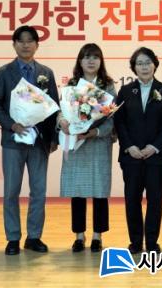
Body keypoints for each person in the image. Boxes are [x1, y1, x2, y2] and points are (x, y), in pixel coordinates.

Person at [0, 26, 59, 256]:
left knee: (38, 191)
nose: (25, 45)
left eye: (30, 41)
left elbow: (54, 106)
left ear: (37, 45)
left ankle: (34, 237)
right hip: (13, 140)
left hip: (39, 141)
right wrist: (12, 124)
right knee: (11, 191)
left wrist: (54, 138)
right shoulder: (3, 72)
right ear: (14, 44)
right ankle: (12, 238)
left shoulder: (46, 72)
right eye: (21, 41)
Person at [114, 47, 162, 254]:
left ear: (155, 65)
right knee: (132, 199)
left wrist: (154, 147)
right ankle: (135, 241)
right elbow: (119, 122)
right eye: (139, 63)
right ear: (134, 68)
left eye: (148, 62)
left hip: (157, 156)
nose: (144, 67)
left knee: (155, 200)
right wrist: (129, 146)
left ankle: (151, 242)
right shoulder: (125, 91)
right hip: (131, 156)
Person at [59, 43, 115, 253]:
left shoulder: (107, 85)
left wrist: (95, 131)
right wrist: (63, 122)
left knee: (99, 191)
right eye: (87, 57)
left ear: (101, 61)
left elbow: (112, 116)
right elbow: (61, 110)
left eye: (95, 57)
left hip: (98, 143)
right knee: (78, 190)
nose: (91, 61)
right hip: (76, 142)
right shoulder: (71, 84)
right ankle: (79, 235)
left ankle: (97, 236)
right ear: (80, 61)